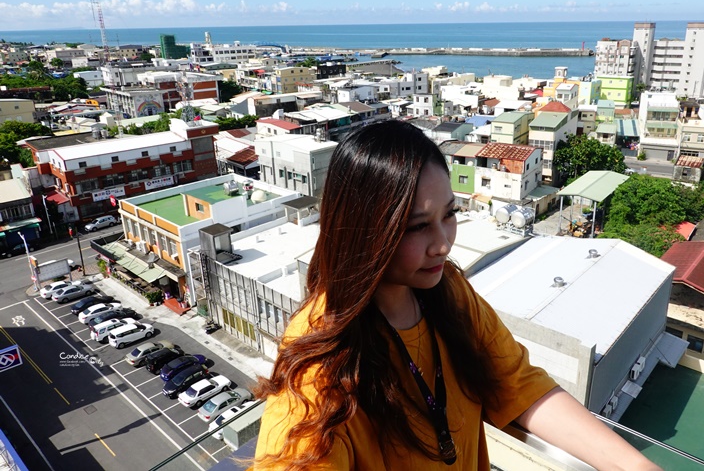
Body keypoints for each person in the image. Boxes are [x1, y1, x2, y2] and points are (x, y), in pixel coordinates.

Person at [253, 120, 661, 470]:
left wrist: (634, 464)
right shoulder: (322, 364)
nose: (443, 243)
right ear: (364, 232)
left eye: (449, 214)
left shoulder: (447, 292)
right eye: (417, 227)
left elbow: (517, 384)